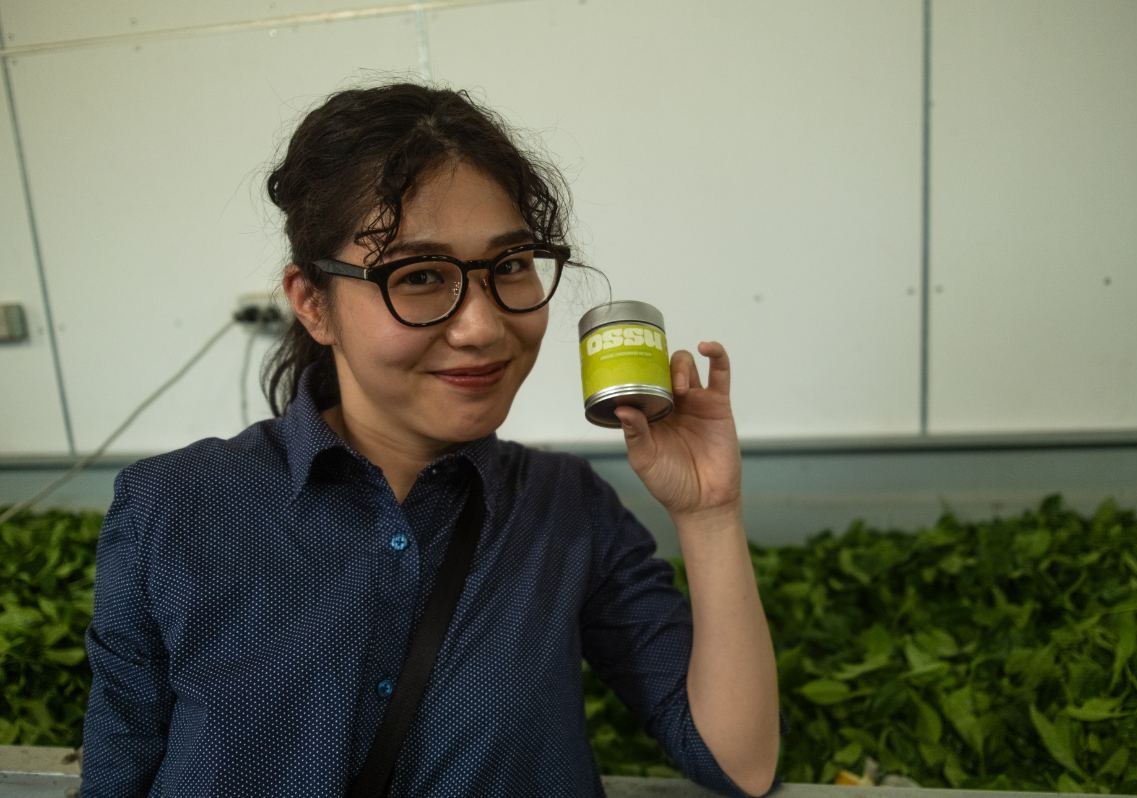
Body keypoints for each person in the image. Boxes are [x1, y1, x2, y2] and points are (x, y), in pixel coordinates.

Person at [81, 82, 779, 797]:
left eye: (509, 265)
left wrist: (709, 512)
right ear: (313, 304)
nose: (481, 327)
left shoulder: (569, 511)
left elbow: (738, 763)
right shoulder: (172, 508)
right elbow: (116, 777)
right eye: (417, 276)